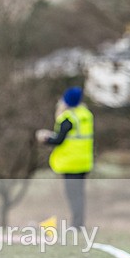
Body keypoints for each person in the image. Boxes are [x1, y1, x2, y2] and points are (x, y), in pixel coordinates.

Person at [36, 86, 94, 228]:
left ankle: (76, 225)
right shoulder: (86, 115)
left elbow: (59, 140)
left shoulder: (68, 118)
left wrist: (45, 138)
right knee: (79, 195)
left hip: (70, 162)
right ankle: (79, 223)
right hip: (84, 161)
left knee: (73, 195)